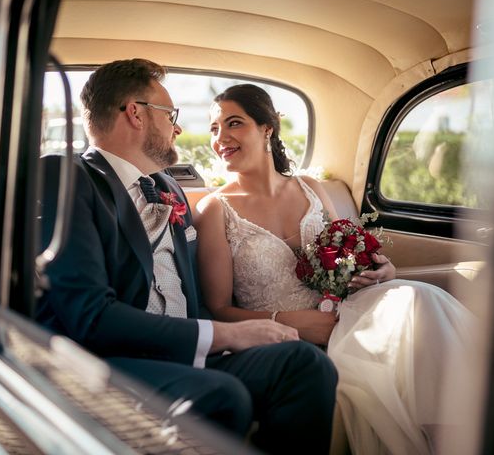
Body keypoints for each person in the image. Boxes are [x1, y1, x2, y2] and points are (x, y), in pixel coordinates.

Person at [36, 59, 338, 455]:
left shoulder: (169, 190)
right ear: (136, 113)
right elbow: (90, 316)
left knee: (305, 364)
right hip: (111, 361)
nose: (178, 128)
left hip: (186, 351)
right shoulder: (68, 177)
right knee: (221, 394)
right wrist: (225, 334)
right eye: (170, 114)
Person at [195, 84, 477, 455]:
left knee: (419, 299)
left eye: (234, 123)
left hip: (350, 311)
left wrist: (381, 271)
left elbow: (349, 257)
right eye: (214, 128)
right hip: (288, 337)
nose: (221, 138)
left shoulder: (310, 188)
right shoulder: (216, 210)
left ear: (268, 128)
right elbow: (219, 310)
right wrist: (290, 321)